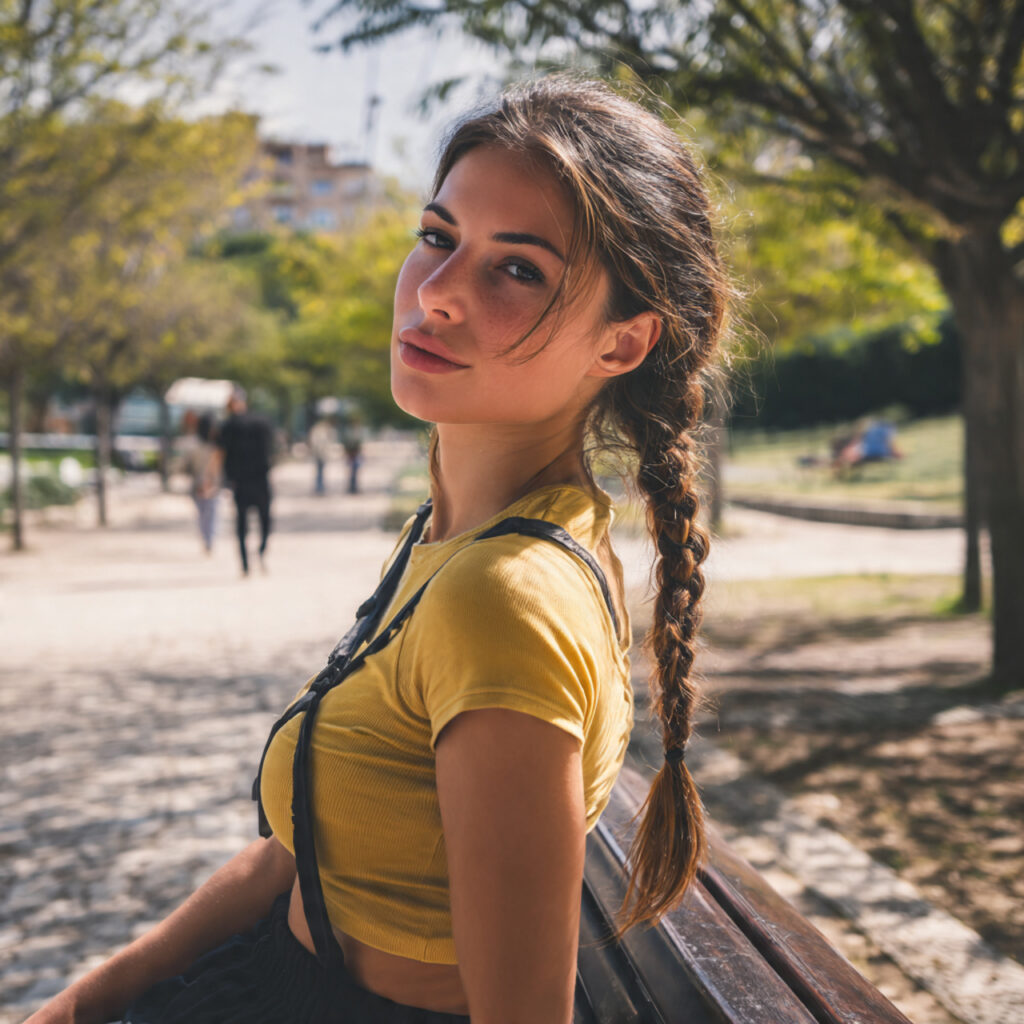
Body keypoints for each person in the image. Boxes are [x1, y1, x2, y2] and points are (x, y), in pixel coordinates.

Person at [25, 74, 728, 1024]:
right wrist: (79, 1003)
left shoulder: (503, 596)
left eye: (517, 270)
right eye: (438, 237)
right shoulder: (458, 537)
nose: (435, 294)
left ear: (623, 343)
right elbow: (297, 855)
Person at [212, 387, 274, 576]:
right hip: (260, 479)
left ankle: (246, 563)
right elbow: (272, 449)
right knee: (264, 520)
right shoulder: (262, 422)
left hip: (241, 481)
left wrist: (213, 477)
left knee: (242, 524)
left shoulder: (227, 426)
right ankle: (260, 551)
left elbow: (219, 454)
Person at [183, 413, 220, 554]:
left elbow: (187, 466)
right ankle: (209, 539)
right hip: (213, 484)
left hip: (197, 484)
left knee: (202, 513)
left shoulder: (193, 445)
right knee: (211, 513)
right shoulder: (216, 446)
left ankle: (206, 537)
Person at [308, 416, 337, 496]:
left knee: (320, 471)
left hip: (320, 454)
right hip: (319, 454)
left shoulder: (319, 431)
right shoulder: (320, 432)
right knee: (320, 471)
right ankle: (319, 487)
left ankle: (320, 487)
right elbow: (320, 443)